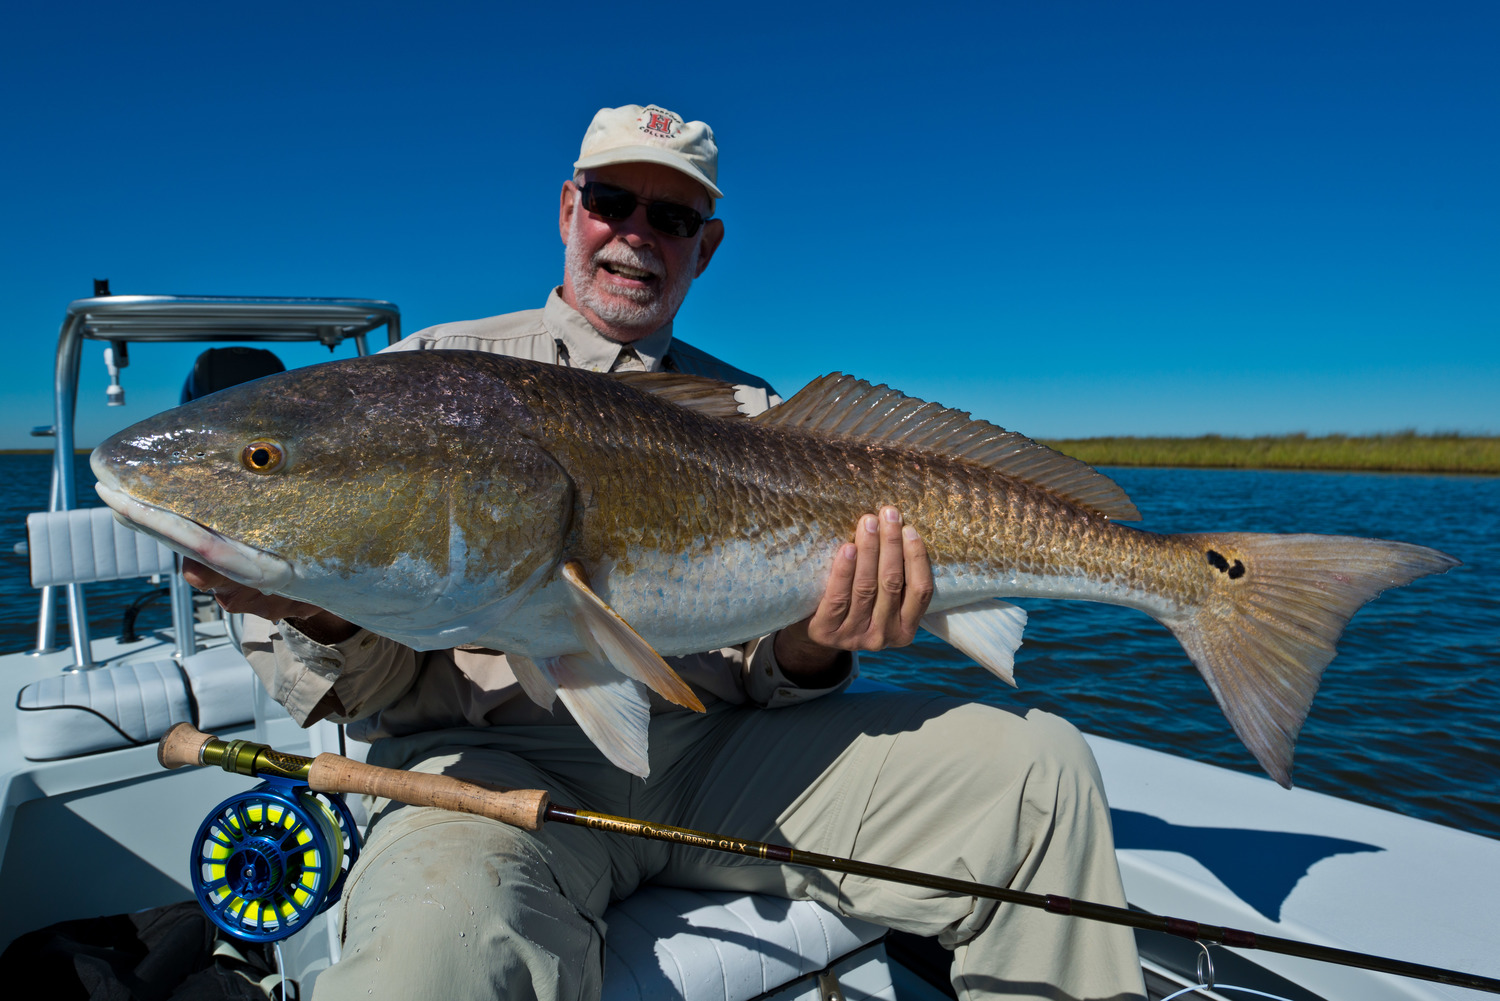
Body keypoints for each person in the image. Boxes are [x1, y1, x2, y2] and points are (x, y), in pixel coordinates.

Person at [186, 104, 1146, 1001]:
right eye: (610, 202)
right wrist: (313, 609)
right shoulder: (427, 384)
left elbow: (778, 677)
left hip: (722, 761)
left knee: (1037, 773)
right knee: (435, 949)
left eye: (673, 214)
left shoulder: (761, 420)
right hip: (490, 768)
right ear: (569, 210)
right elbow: (362, 697)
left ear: (706, 245)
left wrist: (822, 641)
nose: (635, 232)